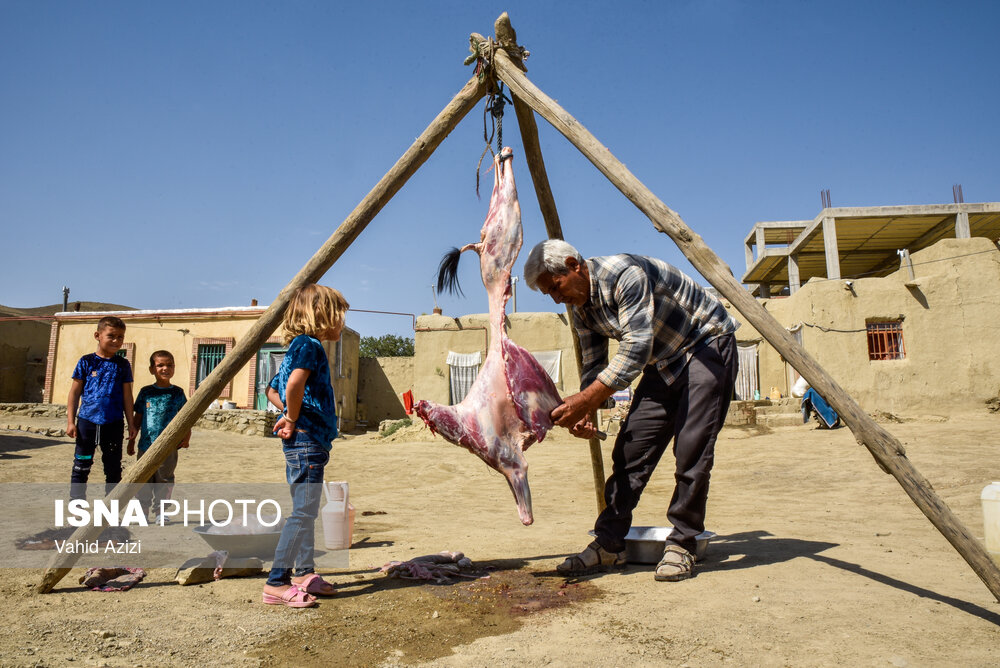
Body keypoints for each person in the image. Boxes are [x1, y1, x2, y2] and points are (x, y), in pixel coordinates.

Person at [524, 239, 739, 582]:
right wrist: (586, 411)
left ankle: (683, 542)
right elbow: (594, 366)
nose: (556, 297)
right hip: (664, 360)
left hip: (705, 345)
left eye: (556, 286)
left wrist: (586, 401)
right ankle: (610, 544)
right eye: (548, 293)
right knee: (631, 449)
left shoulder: (625, 275)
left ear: (573, 264)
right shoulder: (580, 308)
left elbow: (636, 348)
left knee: (691, 448)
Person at [262, 283, 349, 608]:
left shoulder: (298, 347)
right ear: (320, 316)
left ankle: (304, 573)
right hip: (307, 441)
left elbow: (273, 389)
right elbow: (294, 384)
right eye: (338, 316)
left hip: (306, 443)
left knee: (306, 511)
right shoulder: (310, 345)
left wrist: (286, 411)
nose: (341, 322)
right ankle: (276, 583)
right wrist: (293, 418)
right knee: (302, 513)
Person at [66, 316, 137, 500]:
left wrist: (131, 424)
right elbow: (74, 393)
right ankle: (77, 511)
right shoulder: (86, 362)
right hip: (86, 422)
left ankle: (111, 512)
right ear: (97, 335)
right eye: (111, 336)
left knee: (113, 469)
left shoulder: (123, 365)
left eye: (120, 337)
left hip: (113, 423)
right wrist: (70, 422)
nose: (116, 341)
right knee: (81, 467)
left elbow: (127, 396)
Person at [127, 350, 191, 522]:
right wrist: (131, 441)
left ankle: (161, 512)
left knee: (165, 478)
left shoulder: (178, 393)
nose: (165, 368)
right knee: (143, 478)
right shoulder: (146, 392)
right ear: (151, 369)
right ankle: (143, 510)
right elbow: (138, 417)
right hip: (146, 445)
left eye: (169, 365)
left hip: (169, 447)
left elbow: (186, 416)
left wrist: (187, 435)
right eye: (160, 365)